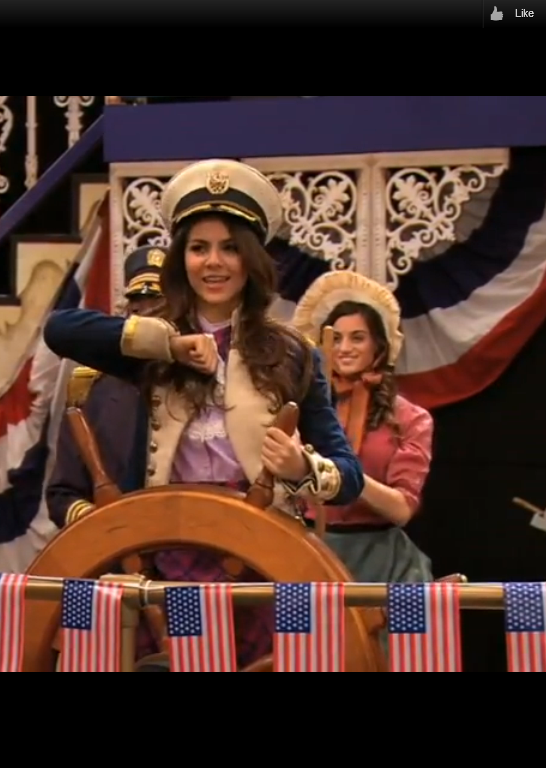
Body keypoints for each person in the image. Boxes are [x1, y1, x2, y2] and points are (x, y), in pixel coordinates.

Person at [43, 159, 365, 671]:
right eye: (198, 248)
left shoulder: (294, 353)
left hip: (261, 564)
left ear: (251, 259)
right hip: (166, 560)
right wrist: (167, 345)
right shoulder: (152, 347)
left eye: (230, 247)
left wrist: (301, 467)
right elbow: (59, 329)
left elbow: (349, 478)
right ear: (181, 259)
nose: (214, 262)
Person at [291, 270, 435, 596]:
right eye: (336, 338)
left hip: (382, 562)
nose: (344, 348)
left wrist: (343, 475)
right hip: (308, 551)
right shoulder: (302, 409)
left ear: (379, 347)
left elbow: (401, 509)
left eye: (357, 338)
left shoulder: (411, 418)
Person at [45, 246, 167, 528]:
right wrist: (103, 522)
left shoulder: (202, 380)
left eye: (159, 305)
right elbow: (62, 494)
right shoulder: (91, 388)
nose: (146, 313)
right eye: (137, 304)